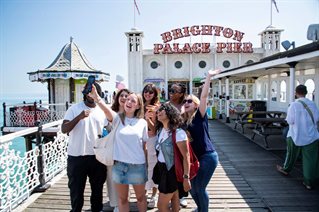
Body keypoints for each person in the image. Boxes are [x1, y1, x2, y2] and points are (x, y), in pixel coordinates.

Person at [90, 86, 149, 212]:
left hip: (138, 166)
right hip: (119, 166)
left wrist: (146, 166)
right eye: (128, 99)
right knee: (122, 199)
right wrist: (97, 98)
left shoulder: (142, 123)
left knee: (140, 198)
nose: (129, 102)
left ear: (138, 106)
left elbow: (144, 147)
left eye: (133, 101)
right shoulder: (117, 119)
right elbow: (106, 111)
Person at [61, 82, 107, 212]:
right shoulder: (74, 109)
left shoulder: (102, 110)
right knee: (76, 191)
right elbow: (64, 129)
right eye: (89, 91)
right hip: (76, 157)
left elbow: (110, 128)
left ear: (98, 94)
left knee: (97, 190)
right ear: (84, 93)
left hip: (97, 157)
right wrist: (79, 117)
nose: (91, 94)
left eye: (94, 91)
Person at [182, 69, 220, 212]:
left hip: (208, 156)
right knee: (192, 187)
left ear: (196, 104)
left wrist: (209, 77)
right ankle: (200, 208)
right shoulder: (183, 121)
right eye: (185, 101)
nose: (187, 102)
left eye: (190, 101)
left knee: (200, 187)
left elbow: (203, 97)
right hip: (194, 159)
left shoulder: (200, 115)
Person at [277, 84, 319, 190]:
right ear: (306, 92)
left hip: (295, 135)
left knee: (291, 154)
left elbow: (290, 120)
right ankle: (309, 182)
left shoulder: (294, 105)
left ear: (296, 93)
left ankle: (286, 169)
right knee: (310, 159)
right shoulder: (313, 104)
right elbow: (317, 118)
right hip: (311, 136)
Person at [152, 103, 191, 212]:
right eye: (158, 111)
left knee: (161, 206)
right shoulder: (161, 130)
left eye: (161, 110)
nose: (158, 112)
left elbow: (186, 156)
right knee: (174, 199)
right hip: (162, 168)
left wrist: (186, 178)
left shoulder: (179, 133)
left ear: (169, 113)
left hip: (172, 171)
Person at [106, 88, 130, 212]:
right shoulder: (111, 112)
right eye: (122, 95)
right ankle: (116, 203)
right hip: (112, 149)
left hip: (127, 151)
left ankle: (125, 200)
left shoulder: (132, 113)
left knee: (125, 177)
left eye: (127, 96)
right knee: (112, 176)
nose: (124, 97)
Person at [167, 82, 188, 207]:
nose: (171, 92)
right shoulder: (166, 105)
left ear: (180, 94)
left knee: (183, 166)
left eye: (174, 91)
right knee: (170, 168)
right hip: (169, 140)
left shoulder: (185, 105)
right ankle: (172, 195)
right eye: (170, 90)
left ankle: (182, 195)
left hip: (182, 139)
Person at [142, 83, 160, 209]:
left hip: (152, 139)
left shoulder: (157, 108)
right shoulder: (138, 104)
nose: (147, 94)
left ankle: (153, 195)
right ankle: (143, 193)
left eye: (151, 92)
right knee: (141, 166)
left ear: (155, 94)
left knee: (153, 167)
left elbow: (154, 130)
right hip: (139, 140)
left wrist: (147, 119)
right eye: (146, 91)